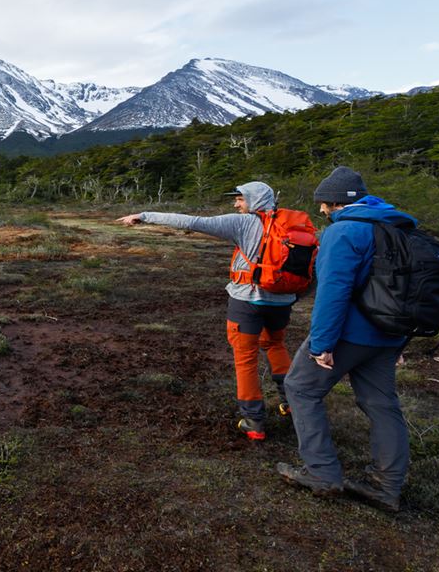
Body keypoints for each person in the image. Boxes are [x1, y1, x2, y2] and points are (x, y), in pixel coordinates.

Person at [117, 181, 297, 441]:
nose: (236, 204)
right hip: (282, 302)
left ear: (255, 200)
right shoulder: (295, 226)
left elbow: (192, 222)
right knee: (276, 346)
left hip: (247, 301)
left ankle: (254, 422)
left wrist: (144, 216)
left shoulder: (243, 224)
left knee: (245, 358)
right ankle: (292, 404)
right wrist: (292, 297)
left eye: (240, 199)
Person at [277, 166, 410, 512]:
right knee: (383, 405)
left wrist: (322, 344)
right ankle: (387, 486)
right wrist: (400, 341)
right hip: (389, 334)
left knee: (301, 388)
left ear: (337, 202)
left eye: (324, 203)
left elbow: (334, 292)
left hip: (350, 334)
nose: (321, 210)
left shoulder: (345, 232)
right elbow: (410, 290)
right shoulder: (398, 229)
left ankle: (322, 473)